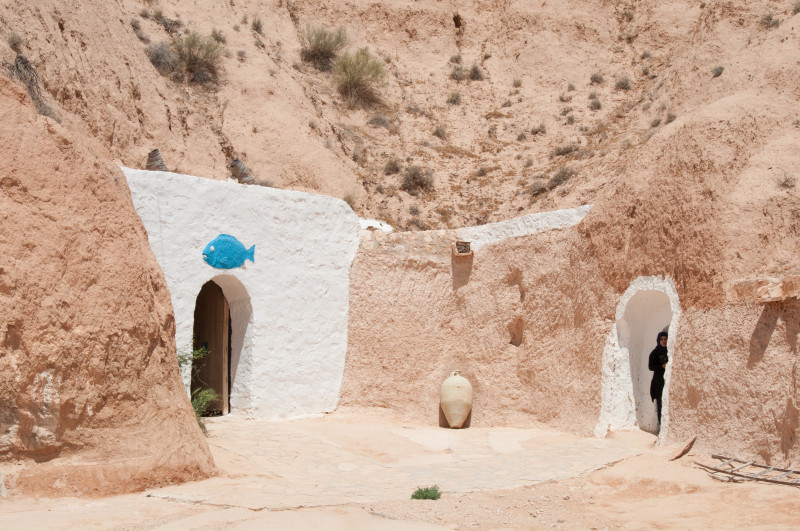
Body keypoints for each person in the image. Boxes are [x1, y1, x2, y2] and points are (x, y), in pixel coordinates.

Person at [648, 331, 669, 426]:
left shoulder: (668, 351)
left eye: (665, 339)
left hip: (666, 381)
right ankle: (662, 426)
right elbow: (651, 367)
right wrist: (662, 366)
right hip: (658, 382)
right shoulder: (655, 352)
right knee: (660, 403)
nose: (664, 341)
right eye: (662, 339)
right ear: (658, 340)